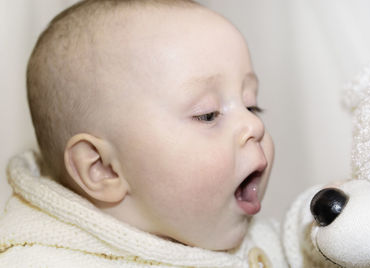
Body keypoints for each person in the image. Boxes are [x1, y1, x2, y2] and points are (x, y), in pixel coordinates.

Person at [0, 0, 332, 267]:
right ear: (104, 168)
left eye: (251, 105)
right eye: (208, 114)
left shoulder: (258, 241)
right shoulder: (40, 259)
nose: (254, 126)